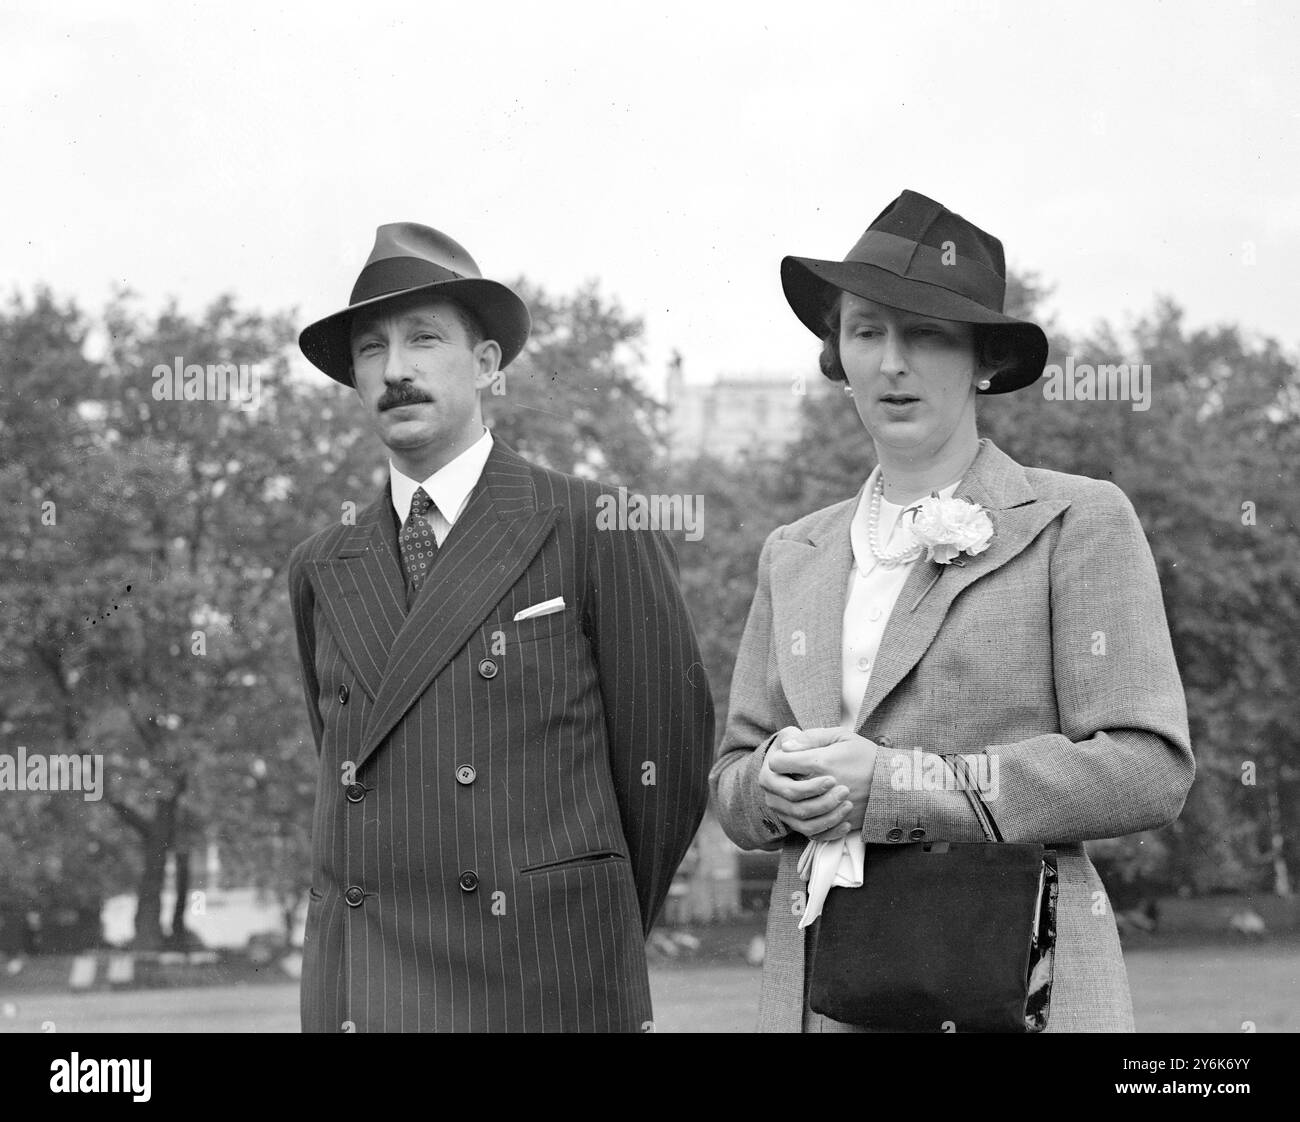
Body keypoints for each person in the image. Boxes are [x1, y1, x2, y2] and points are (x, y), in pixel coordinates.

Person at [710, 190, 1194, 1032]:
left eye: (924, 333)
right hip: (818, 995)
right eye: (866, 332)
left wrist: (898, 785)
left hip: (1018, 989)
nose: (891, 362)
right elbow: (731, 784)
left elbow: (1146, 769)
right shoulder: (795, 551)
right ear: (840, 357)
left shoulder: (1077, 520)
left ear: (982, 362)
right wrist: (773, 784)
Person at [289, 222, 714, 1032]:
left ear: (486, 365)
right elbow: (360, 773)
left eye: (424, 339)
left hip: (546, 981)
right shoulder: (319, 565)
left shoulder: (596, 525)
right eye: (372, 350)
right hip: (369, 990)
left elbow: (668, 768)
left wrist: (577, 917)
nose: (397, 369)